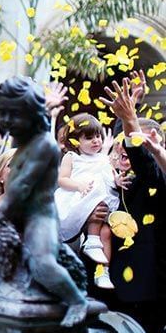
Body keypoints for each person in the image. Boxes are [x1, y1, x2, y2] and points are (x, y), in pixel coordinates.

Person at [0, 76, 88, 327]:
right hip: (12, 214)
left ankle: (75, 300)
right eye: (3, 113)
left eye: (14, 114)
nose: (6, 120)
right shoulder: (20, 141)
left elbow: (22, 189)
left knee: (42, 263)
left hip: (39, 218)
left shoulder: (44, 145)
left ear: (31, 113)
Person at [100, 78, 166, 333]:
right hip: (111, 288)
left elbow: (144, 162)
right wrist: (128, 112)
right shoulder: (109, 179)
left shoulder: (155, 178)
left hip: (149, 290)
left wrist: (131, 120)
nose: (125, 152)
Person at [54, 113, 119, 289]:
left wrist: (118, 181)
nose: (96, 141)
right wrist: (78, 186)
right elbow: (62, 180)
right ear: (75, 140)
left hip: (100, 203)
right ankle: (91, 239)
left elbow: (111, 177)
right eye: (89, 138)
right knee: (97, 200)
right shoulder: (71, 157)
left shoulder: (104, 158)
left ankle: (103, 271)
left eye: (98, 136)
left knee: (105, 233)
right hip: (78, 199)